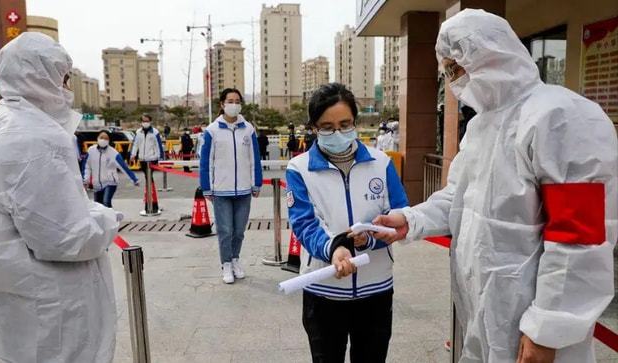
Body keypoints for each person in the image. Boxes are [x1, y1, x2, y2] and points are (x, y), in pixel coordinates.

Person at [367, 9, 617, 363]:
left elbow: (578, 236)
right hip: (484, 311)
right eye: (449, 72)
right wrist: (412, 219)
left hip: (535, 321)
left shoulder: (560, 117)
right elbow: (459, 197)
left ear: (492, 54)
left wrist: (547, 329)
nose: (455, 81)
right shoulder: (483, 127)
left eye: (459, 67)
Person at [0, 32, 120, 362]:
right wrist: (106, 217)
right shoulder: (37, 136)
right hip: (55, 303)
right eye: (63, 78)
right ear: (40, 75)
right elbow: (66, 237)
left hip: (12, 292)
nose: (66, 88)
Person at [286, 83, 409, 363]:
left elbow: (401, 212)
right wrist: (335, 248)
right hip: (323, 290)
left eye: (345, 124)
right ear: (314, 128)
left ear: (355, 121)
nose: (337, 133)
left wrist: (372, 237)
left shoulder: (381, 163)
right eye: (327, 127)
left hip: (376, 287)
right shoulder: (299, 168)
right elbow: (304, 224)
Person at [200, 88, 263, 284]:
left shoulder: (248, 129)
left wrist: (256, 183)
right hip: (221, 190)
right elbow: (206, 162)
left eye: (237, 101)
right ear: (222, 104)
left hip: (244, 189)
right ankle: (226, 263)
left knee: (239, 231)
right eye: (230, 101)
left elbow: (255, 158)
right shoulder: (212, 130)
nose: (234, 104)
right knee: (225, 230)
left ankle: (235, 259)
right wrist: (206, 187)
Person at [83, 130, 140, 208]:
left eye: (106, 138)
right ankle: (105, 219)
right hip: (96, 184)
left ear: (109, 140)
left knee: (106, 202)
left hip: (110, 182)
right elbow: (87, 166)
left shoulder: (114, 153)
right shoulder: (91, 150)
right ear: (97, 138)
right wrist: (86, 180)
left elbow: (123, 167)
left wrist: (134, 179)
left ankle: (111, 219)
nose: (103, 140)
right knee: (99, 207)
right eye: (101, 137)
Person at [130, 114, 165, 211]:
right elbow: (135, 144)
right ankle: (151, 202)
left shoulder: (155, 132)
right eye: (143, 121)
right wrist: (132, 155)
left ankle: (151, 203)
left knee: (148, 178)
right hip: (142, 159)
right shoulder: (138, 132)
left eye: (147, 121)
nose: (145, 122)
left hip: (152, 158)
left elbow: (158, 145)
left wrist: (160, 157)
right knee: (148, 178)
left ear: (150, 121)